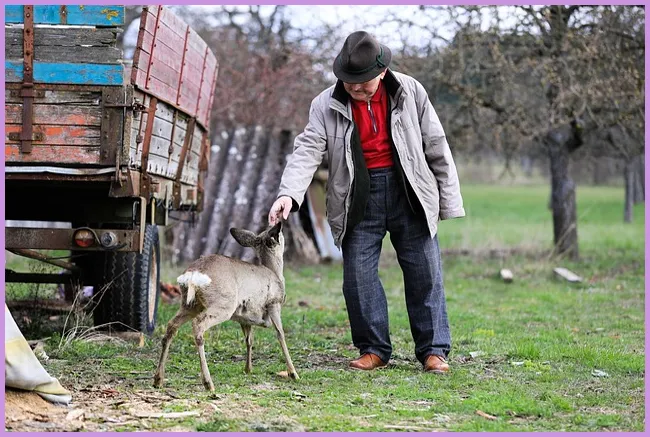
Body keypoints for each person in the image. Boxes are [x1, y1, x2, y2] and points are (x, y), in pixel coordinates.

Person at [268, 31, 465, 373]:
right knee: (357, 278)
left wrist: (448, 201)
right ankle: (373, 349)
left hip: (409, 192)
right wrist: (289, 193)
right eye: (350, 82)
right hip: (356, 196)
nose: (356, 89)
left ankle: (433, 350)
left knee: (426, 274)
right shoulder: (324, 105)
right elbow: (308, 150)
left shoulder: (411, 91)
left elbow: (436, 144)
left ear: (382, 72)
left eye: (364, 83)